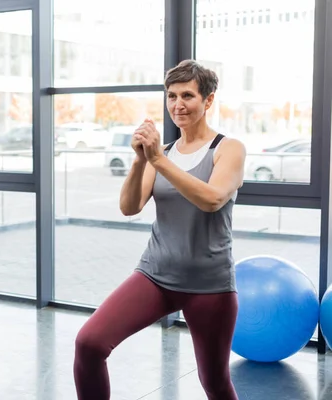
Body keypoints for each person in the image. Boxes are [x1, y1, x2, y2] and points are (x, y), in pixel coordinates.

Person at [73, 59, 246, 400]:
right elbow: (129, 206)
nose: (177, 105)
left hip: (209, 286)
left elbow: (212, 199)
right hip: (155, 275)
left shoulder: (228, 149)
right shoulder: (161, 153)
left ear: (208, 101)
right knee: (89, 343)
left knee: (215, 382)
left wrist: (158, 161)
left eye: (188, 96)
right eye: (171, 96)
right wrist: (140, 160)